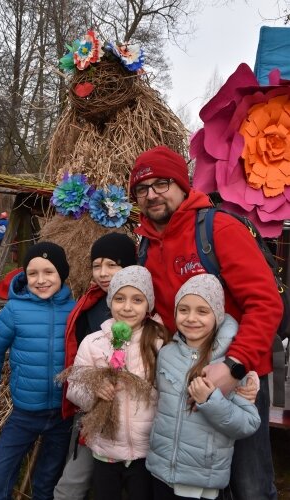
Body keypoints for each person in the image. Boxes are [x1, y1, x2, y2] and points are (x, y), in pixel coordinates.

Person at [129, 145, 284, 500]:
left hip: (240, 378)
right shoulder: (146, 246)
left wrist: (232, 367)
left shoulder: (218, 229)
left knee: (249, 485)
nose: (151, 194)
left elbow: (265, 303)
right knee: (195, 485)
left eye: (161, 183)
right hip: (188, 382)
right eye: (142, 188)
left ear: (183, 184)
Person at [0, 241, 76, 500]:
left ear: (62, 273)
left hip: (63, 415)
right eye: (33, 273)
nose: (41, 280)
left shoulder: (74, 310)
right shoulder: (15, 310)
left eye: (49, 272)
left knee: (46, 484)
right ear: (25, 275)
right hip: (25, 413)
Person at [147, 273, 261, 500]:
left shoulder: (229, 366)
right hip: (160, 474)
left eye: (202, 311)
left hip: (201, 484)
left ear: (217, 315)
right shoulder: (166, 353)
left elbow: (248, 423)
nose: (191, 318)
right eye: (184, 309)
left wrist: (210, 401)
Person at [66, 265, 171, 500]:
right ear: (110, 302)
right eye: (120, 298)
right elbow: (74, 389)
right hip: (106, 449)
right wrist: (94, 390)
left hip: (147, 450)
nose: (127, 307)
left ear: (148, 305)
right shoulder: (94, 343)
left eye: (137, 300)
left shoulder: (159, 341)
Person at [54, 232, 137, 500]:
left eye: (112, 265)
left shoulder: (141, 306)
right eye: (96, 265)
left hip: (133, 410)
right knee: (77, 474)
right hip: (92, 402)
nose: (102, 273)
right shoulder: (89, 304)